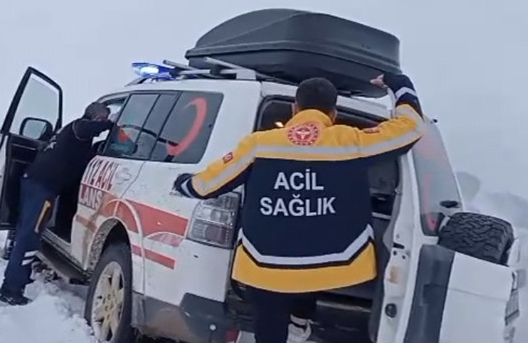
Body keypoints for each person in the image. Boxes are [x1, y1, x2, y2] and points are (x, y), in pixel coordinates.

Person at [173, 73, 425, 343]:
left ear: (295, 108)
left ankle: (288, 325)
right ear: (333, 113)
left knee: (269, 308)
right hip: (332, 261)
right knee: (310, 268)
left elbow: (208, 185)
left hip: (265, 262)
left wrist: (183, 184)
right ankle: (301, 318)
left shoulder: (260, 144)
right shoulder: (351, 141)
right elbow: (410, 128)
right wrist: (399, 84)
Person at [0, 101, 115, 305]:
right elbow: (88, 128)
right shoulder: (79, 128)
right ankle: (11, 288)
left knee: (26, 232)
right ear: (95, 118)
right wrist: (113, 124)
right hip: (42, 187)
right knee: (29, 236)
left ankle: (18, 276)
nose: (103, 122)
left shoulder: (72, 135)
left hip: (34, 182)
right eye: (102, 118)